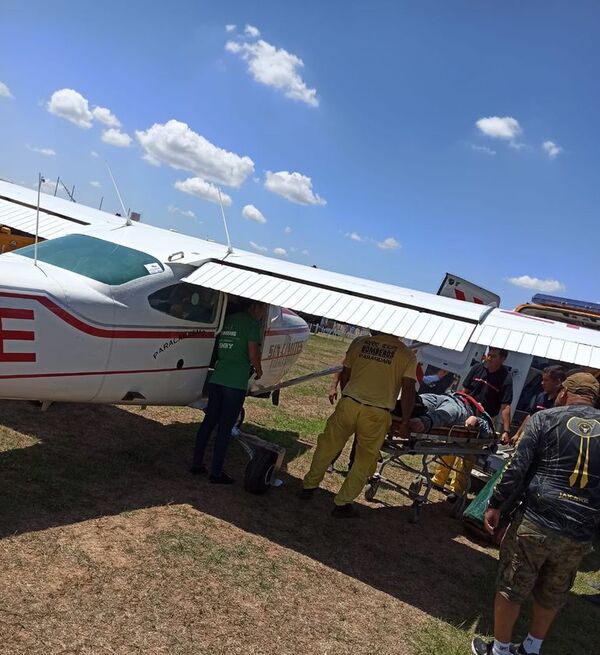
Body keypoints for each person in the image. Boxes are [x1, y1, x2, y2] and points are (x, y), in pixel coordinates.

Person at [471, 372, 600, 655]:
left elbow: (517, 467)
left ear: (565, 392)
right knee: (554, 590)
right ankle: (531, 648)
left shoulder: (546, 418)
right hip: (580, 530)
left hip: (538, 520)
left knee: (512, 583)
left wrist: (496, 504)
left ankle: (500, 649)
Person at [300, 331, 417, 517]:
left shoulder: (360, 343)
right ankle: (342, 503)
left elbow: (345, 372)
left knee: (327, 446)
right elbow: (408, 389)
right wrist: (404, 421)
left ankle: (309, 486)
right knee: (364, 460)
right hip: (377, 412)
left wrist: (346, 394)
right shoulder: (407, 354)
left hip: (350, 403)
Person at [191, 300, 264, 483]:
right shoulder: (252, 324)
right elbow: (253, 353)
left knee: (208, 422)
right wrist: (259, 370)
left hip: (218, 377)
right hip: (235, 382)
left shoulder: (228, 319)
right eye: (263, 309)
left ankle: (196, 463)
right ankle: (216, 473)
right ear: (255, 307)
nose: (263, 314)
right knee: (225, 427)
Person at [431, 348, 513, 498]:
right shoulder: (477, 369)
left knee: (467, 454)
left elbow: (505, 406)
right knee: (450, 445)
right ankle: (438, 480)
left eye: (493, 356)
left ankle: (456, 490)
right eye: (488, 355)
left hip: (484, 418)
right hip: (466, 411)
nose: (489, 358)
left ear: (503, 359)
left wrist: (506, 430)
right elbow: (464, 391)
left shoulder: (506, 379)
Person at [511, 366, 566, 444]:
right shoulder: (540, 396)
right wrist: (517, 434)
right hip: (530, 436)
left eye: (546, 380)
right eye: (542, 379)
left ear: (557, 382)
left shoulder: (562, 402)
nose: (542, 383)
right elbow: (530, 416)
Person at [406, 391, 495, 438]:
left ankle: (423, 423)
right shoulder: (472, 399)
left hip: (462, 409)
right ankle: (401, 407)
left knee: (446, 412)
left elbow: (489, 433)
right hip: (448, 396)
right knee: (422, 398)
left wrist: (477, 420)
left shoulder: (484, 415)